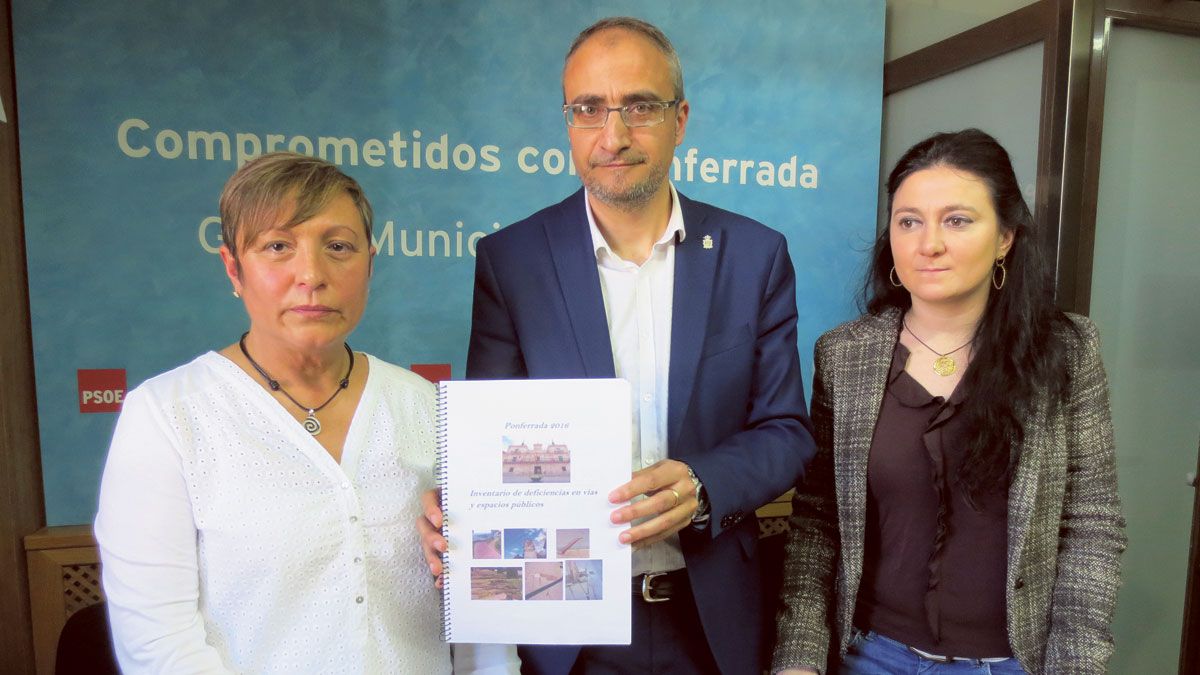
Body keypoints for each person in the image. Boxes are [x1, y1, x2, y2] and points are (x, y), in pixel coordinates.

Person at [418, 15, 815, 675]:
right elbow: (494, 440)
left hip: (709, 618)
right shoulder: (512, 261)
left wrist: (702, 483)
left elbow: (785, 431)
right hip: (565, 628)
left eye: (640, 106)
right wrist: (461, 497)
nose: (614, 134)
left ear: (680, 119)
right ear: (568, 122)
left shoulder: (755, 256)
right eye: (589, 109)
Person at [94, 152, 517, 674]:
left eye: (338, 247)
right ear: (234, 268)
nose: (311, 274)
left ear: (370, 262)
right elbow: (158, 645)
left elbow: (485, 625)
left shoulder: (428, 407)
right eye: (278, 246)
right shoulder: (167, 416)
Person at [772, 129, 1126, 675]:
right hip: (870, 656)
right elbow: (818, 520)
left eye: (957, 220)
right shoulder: (845, 355)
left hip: (1013, 663)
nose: (928, 243)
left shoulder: (1066, 351)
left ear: (1006, 235)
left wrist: (1075, 666)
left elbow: (1091, 524)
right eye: (908, 221)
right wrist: (798, 659)